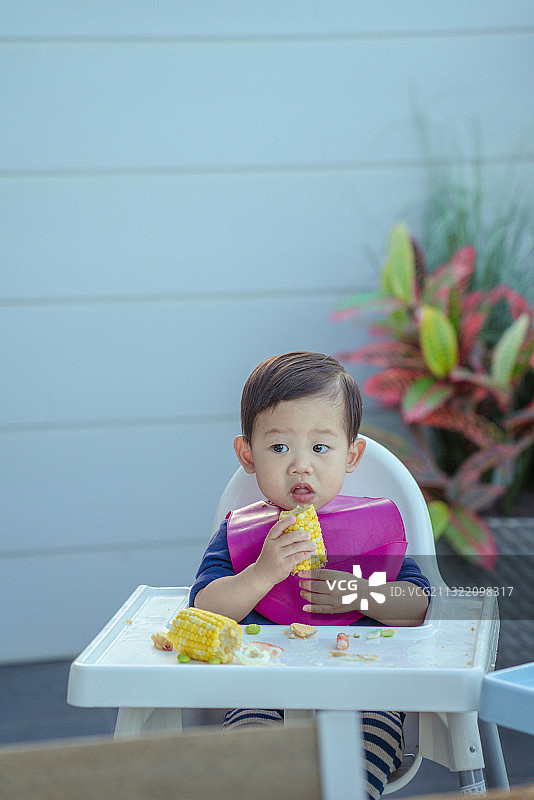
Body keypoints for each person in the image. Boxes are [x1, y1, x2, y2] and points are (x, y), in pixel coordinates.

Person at [190, 351, 430, 799]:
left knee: (367, 738)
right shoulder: (240, 534)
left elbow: (418, 604)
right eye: (279, 447)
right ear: (248, 454)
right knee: (250, 748)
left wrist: (363, 595)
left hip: (363, 684)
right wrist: (261, 573)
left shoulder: (372, 529)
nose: (301, 465)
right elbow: (204, 607)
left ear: (351, 454)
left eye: (320, 448)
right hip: (262, 682)